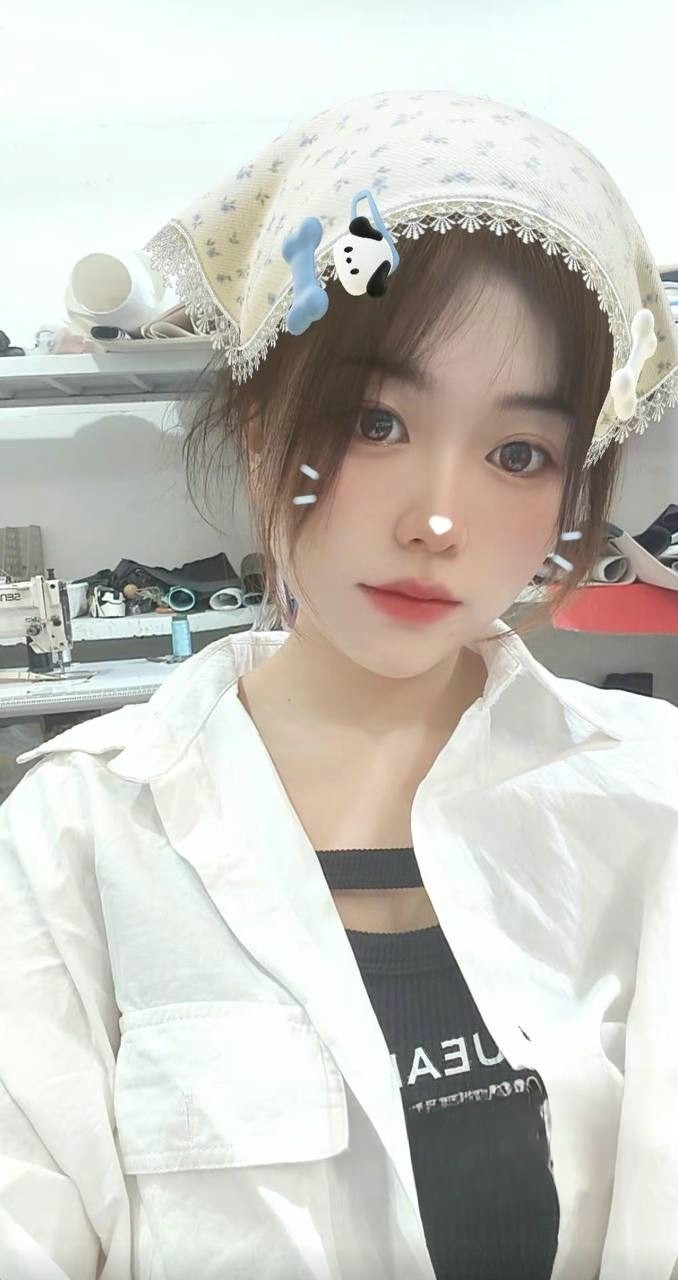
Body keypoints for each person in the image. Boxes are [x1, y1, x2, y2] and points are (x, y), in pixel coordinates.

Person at [1, 89, 677, 1280]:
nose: (437, 519)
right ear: (261, 425)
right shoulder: (79, 838)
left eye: (518, 452)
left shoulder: (651, 800)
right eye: (374, 421)